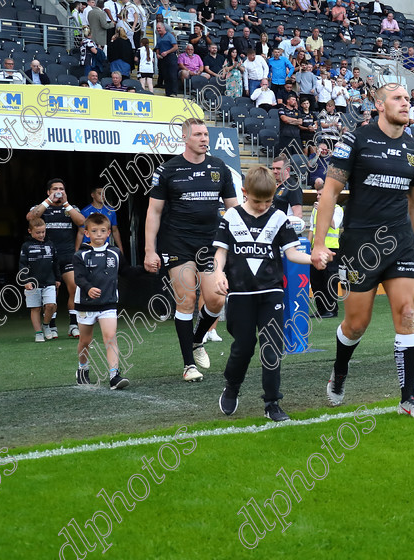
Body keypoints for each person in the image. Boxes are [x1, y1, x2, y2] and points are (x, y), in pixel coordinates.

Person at [311, 83, 414, 418]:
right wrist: (319, 242)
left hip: (401, 244)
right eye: (397, 98)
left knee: (407, 313)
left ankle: (408, 399)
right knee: (356, 324)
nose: (406, 103)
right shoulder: (356, 139)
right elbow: (330, 193)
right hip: (360, 246)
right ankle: (340, 370)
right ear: (379, 105)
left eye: (408, 98)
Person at [212, 166, 310, 421]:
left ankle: (272, 403)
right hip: (240, 295)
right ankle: (232, 386)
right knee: (243, 348)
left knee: (272, 347)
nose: (263, 206)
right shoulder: (231, 216)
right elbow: (220, 252)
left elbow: (292, 253)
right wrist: (219, 273)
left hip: (271, 294)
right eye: (257, 201)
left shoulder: (279, 218)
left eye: (268, 200)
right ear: (245, 193)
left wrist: (314, 259)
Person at [144, 119, 238, 382]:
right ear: (185, 137)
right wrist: (149, 250)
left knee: (217, 299)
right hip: (178, 243)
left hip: (210, 244)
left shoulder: (219, 167)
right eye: (198, 134)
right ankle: (189, 366)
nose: (204, 138)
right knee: (185, 300)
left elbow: (233, 209)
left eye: (206, 134)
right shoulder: (168, 169)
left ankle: (197, 341)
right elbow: (154, 211)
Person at [74, 213, 145, 388]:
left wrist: (145, 269)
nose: (99, 234)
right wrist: (89, 288)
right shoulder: (80, 255)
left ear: (108, 233)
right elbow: (79, 278)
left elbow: (126, 271)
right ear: (87, 233)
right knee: (85, 340)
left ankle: (114, 375)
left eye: (103, 230)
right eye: (95, 230)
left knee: (110, 337)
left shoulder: (115, 252)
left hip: (108, 303)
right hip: (85, 305)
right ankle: (82, 368)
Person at [26, 179, 86, 339]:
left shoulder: (71, 208)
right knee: (52, 294)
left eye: (61, 189)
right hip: (47, 258)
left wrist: (66, 203)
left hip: (67, 255)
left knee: (74, 287)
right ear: (48, 191)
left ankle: (74, 325)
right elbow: (31, 217)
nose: (58, 191)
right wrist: (48, 201)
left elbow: (82, 222)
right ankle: (51, 326)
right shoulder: (41, 207)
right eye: (55, 189)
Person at [20, 218, 61, 342]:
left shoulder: (50, 244)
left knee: (51, 305)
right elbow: (22, 265)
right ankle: (38, 332)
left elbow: (56, 263)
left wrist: (58, 278)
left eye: (43, 232)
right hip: (32, 283)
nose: (41, 235)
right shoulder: (26, 246)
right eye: (38, 232)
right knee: (35, 308)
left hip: (49, 281)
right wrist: (25, 281)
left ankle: (46, 325)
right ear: (30, 231)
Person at [307, 181, 343, 318]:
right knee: (316, 281)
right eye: (317, 194)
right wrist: (308, 247)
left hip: (331, 249)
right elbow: (311, 229)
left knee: (329, 280)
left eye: (320, 194)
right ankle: (321, 309)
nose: (317, 197)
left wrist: (323, 209)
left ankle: (332, 309)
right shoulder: (315, 209)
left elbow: (334, 225)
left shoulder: (338, 209)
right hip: (316, 249)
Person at [76, 186, 124, 251]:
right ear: (92, 195)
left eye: (104, 194)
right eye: (100, 193)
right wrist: (77, 251)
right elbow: (81, 232)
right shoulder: (85, 211)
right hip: (89, 247)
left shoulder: (111, 210)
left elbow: (115, 231)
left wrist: (120, 249)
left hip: (104, 247)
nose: (103, 196)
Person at [154, 22, 179, 96]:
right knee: (166, 76)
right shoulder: (159, 38)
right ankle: (168, 93)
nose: (158, 30)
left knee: (172, 75)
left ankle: (174, 92)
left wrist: (167, 52)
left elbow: (175, 47)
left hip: (171, 57)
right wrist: (157, 54)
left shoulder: (170, 36)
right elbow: (157, 47)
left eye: (159, 28)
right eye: (157, 28)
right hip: (162, 59)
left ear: (163, 28)